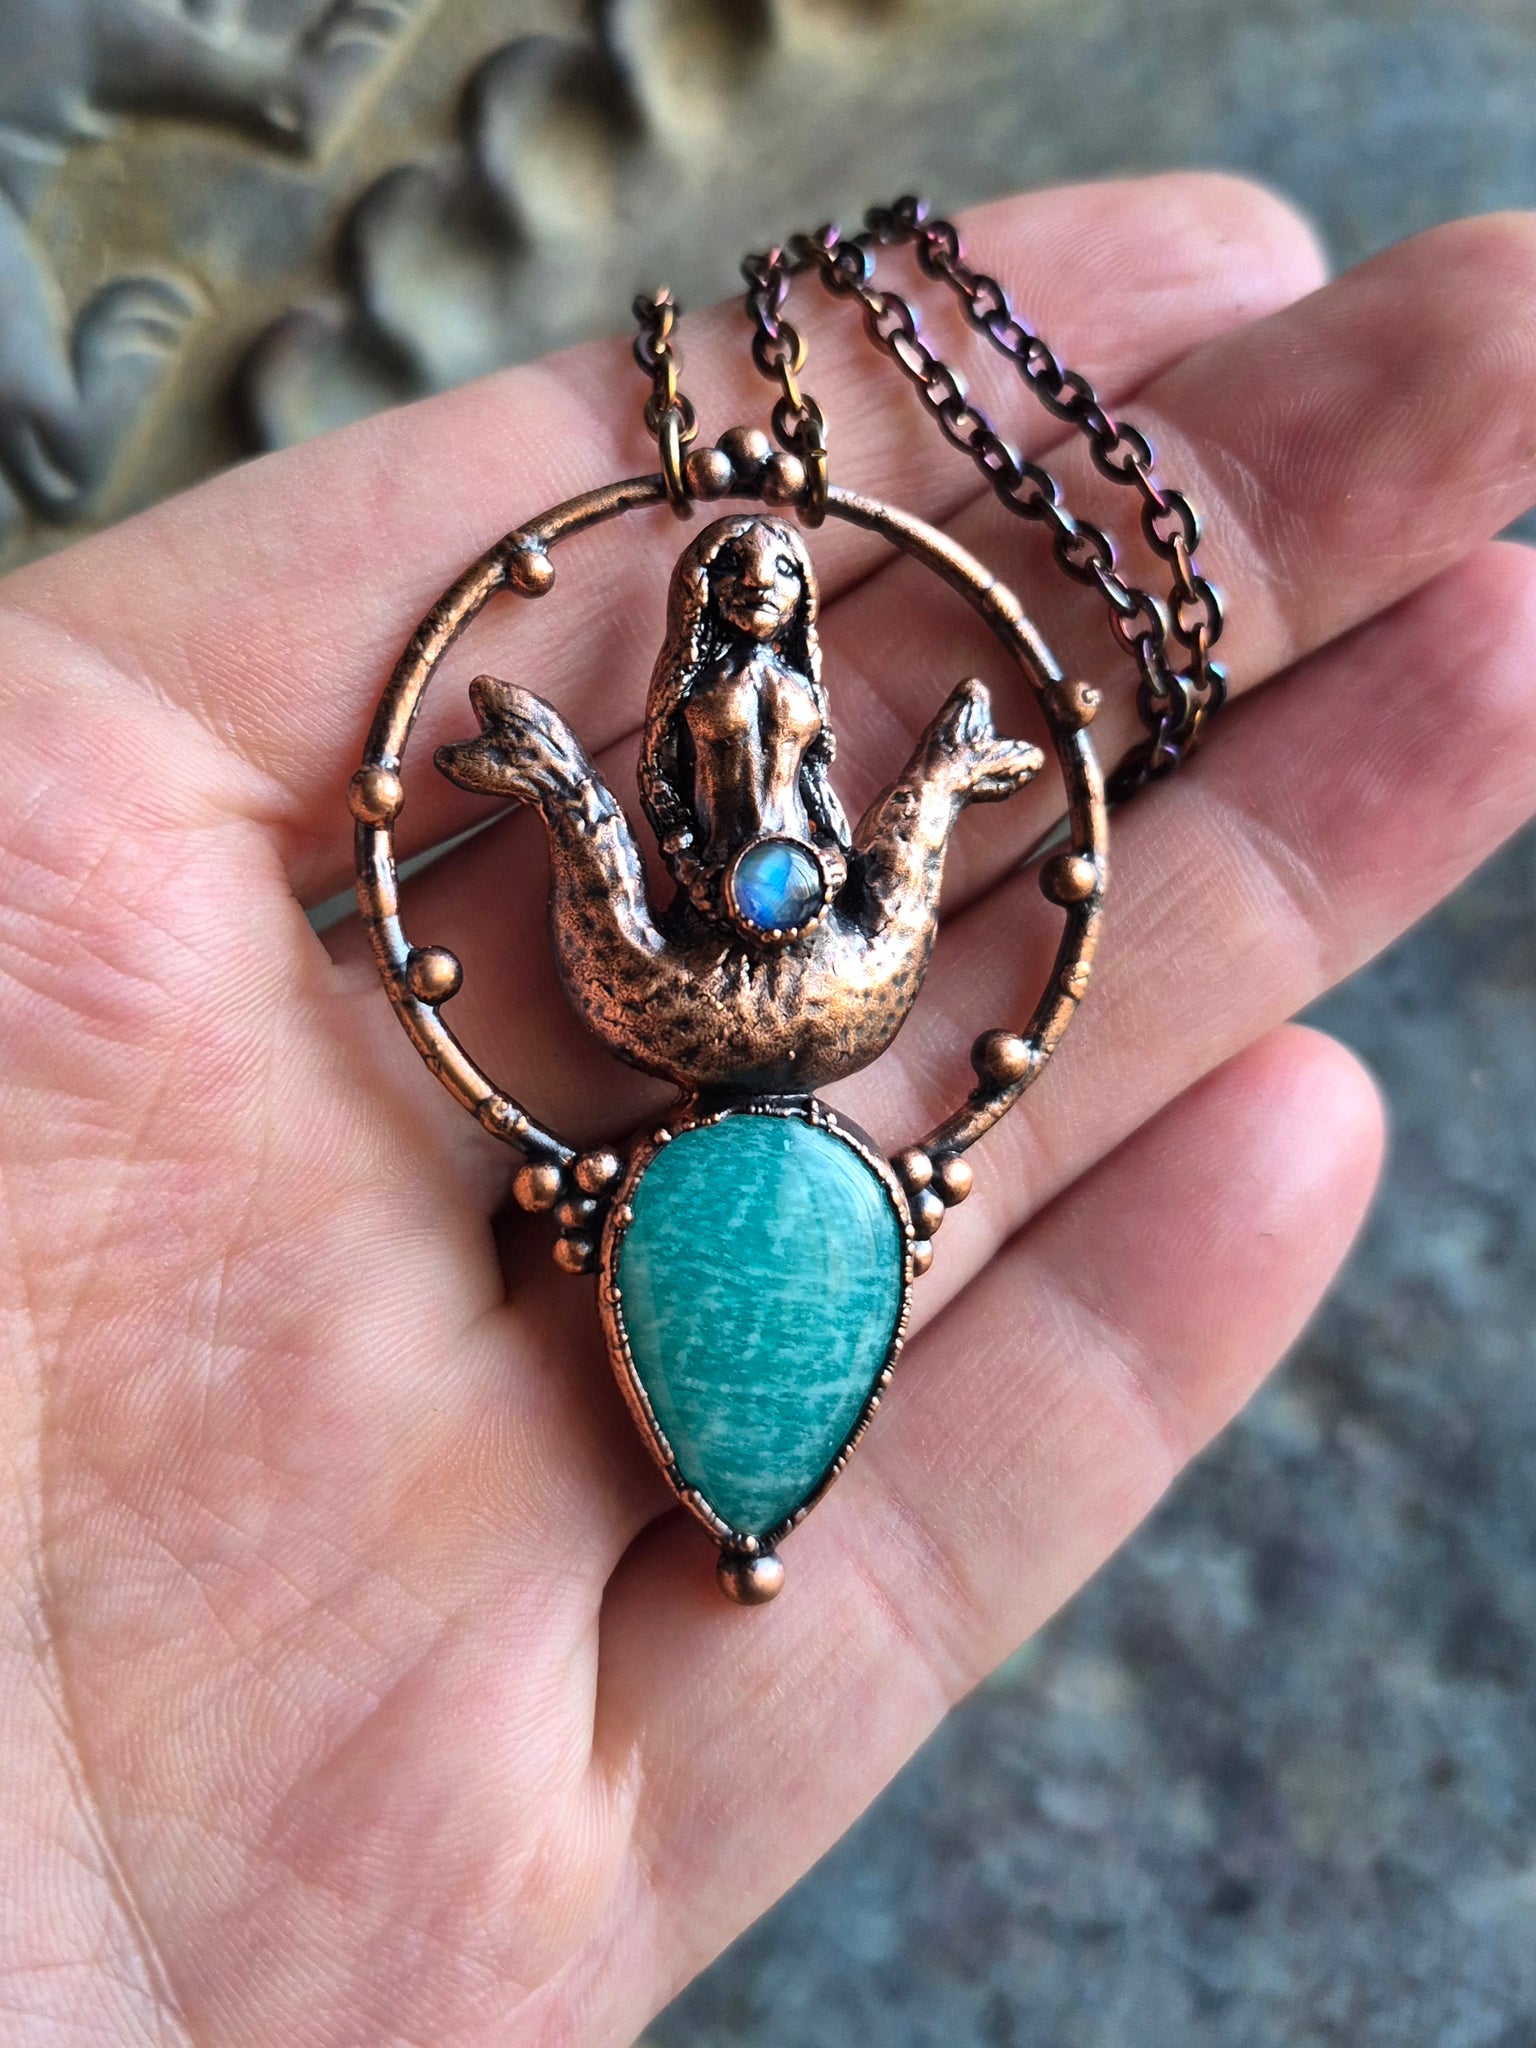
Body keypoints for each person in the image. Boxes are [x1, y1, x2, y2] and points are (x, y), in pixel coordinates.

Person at [2, 174, 1534, 2045]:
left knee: (880, 878)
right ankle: (609, 790)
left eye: (768, 587)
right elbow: (652, 840)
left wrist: (939, 784)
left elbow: (840, 836)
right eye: (731, 591)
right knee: (620, 887)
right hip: (691, 981)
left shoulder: (792, 694)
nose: (751, 600)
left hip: (823, 987)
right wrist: (581, 787)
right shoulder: (700, 705)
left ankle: (894, 789)